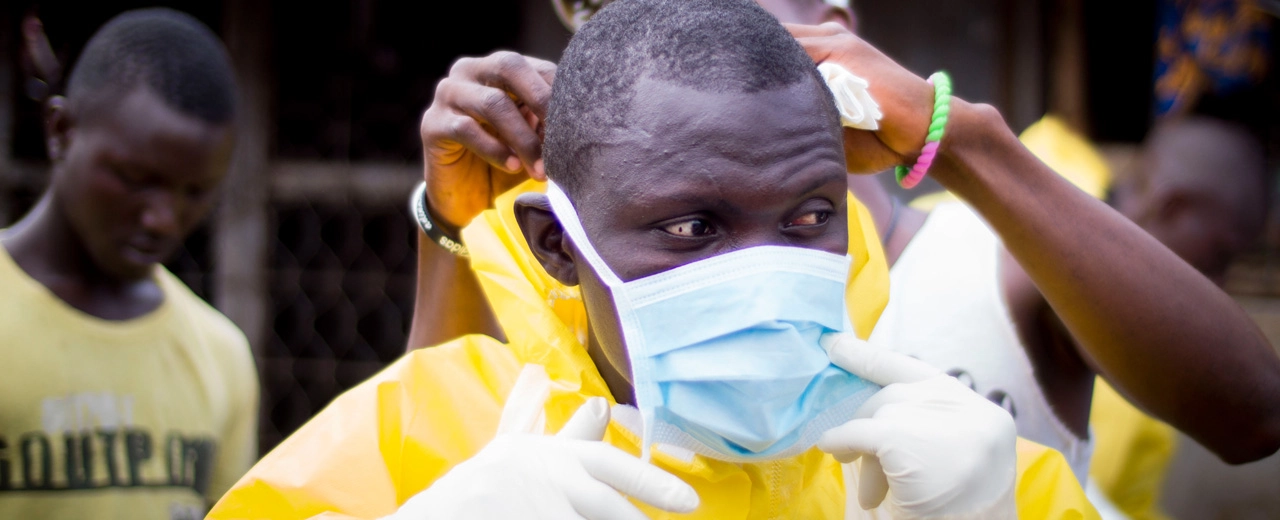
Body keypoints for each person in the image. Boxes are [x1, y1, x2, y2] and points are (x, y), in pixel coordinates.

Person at [211, 0, 1099, 517]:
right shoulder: (426, 446)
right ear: (558, 246)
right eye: (691, 229)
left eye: (808, 216)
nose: (765, 271)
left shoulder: (965, 466)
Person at [409, 0, 1280, 495]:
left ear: (831, 20)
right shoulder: (609, 288)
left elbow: (1252, 413)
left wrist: (960, 140)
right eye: (605, 13)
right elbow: (432, 433)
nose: (661, 27)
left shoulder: (985, 257)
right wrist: (453, 225)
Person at [0, 9, 258, 519]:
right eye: (135, 177)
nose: (164, 219)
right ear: (61, 131)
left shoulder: (219, 353)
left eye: (195, 192)